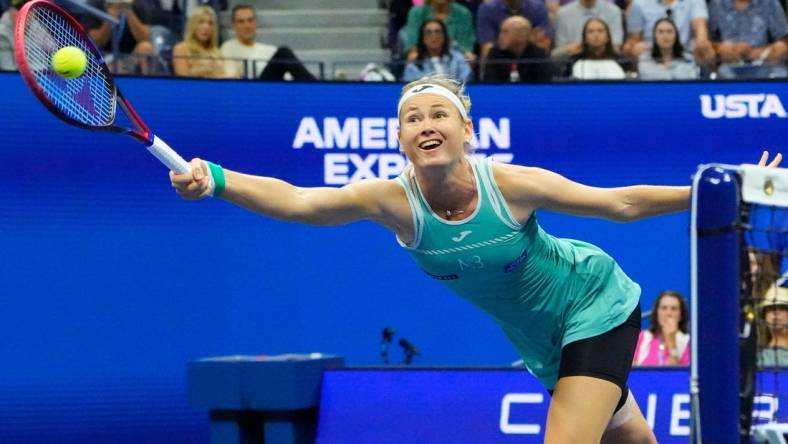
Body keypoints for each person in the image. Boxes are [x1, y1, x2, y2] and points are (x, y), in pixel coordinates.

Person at [170, 75, 782, 442]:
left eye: (438, 114)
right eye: (411, 119)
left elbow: (618, 203)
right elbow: (302, 202)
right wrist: (216, 179)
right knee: (627, 436)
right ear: (401, 138)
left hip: (594, 302)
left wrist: (718, 186)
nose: (424, 124)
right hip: (540, 340)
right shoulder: (393, 202)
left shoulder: (508, 185)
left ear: (466, 129)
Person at [220, 5, 315, 81]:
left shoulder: (270, 50)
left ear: (256, 23)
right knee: (283, 53)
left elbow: (287, 77)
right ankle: (317, 88)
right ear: (233, 26)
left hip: (273, 90)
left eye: (250, 20)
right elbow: (230, 78)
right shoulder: (228, 47)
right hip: (250, 91)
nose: (247, 25)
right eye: (241, 22)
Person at [622, 0, 714, 64]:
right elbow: (634, 39)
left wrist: (702, 41)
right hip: (651, 55)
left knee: (705, 48)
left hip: (684, 53)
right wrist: (633, 47)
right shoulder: (639, 3)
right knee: (638, 48)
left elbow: (699, 24)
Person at [708, 0, 787, 74]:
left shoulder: (770, 3)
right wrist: (720, 48)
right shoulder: (717, 4)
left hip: (764, 65)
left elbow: (784, 40)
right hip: (727, 67)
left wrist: (752, 53)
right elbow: (706, 43)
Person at [83, 0, 156, 74]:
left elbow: (144, 38)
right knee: (112, 68)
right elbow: (96, 42)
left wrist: (129, 11)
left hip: (129, 58)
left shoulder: (139, 5)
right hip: (103, 56)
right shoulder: (95, 4)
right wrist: (110, 17)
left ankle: (145, 83)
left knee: (146, 47)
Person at [400, 0, 476, 62]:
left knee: (469, 59)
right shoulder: (416, 12)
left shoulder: (463, 13)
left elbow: (466, 48)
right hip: (424, 61)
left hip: (455, 62)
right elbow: (412, 48)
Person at [481, 16, 552, 82]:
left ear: (521, 36)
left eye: (505, 32)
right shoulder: (494, 53)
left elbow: (544, 85)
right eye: (501, 32)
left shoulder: (539, 55)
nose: (500, 37)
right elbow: (490, 83)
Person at [476, 0, 553, 57]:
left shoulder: (538, 8)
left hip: (531, 60)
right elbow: (487, 49)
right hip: (500, 59)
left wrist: (508, 41)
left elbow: (543, 46)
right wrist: (527, 38)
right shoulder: (487, 9)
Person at [633, 291, 690, 366]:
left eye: (674, 309)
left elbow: (675, 375)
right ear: (657, 313)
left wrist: (671, 341)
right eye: (664, 308)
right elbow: (631, 371)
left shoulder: (688, 342)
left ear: (681, 315)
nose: (668, 313)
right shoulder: (641, 338)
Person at [403, 19, 472, 82]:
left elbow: (467, 80)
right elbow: (411, 87)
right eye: (429, 32)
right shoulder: (415, 64)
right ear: (423, 39)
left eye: (438, 32)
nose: (434, 36)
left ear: (444, 36)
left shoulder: (457, 58)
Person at [551, 0, 624, 59]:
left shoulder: (614, 11)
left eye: (600, 31)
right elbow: (559, 50)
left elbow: (616, 45)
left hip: (607, 59)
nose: (596, 34)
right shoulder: (563, 13)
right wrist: (571, 49)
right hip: (574, 59)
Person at [171, 6, 225, 78]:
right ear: (192, 25)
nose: (206, 27)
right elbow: (184, 80)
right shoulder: (181, 49)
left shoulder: (216, 51)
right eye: (201, 22)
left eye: (210, 23)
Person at [759, 285, 788, 368]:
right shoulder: (758, 357)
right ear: (764, 317)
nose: (776, 313)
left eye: (782, 308)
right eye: (770, 308)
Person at [0, 0, 25, 71]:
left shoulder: (37, 26)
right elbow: (8, 69)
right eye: (19, 8)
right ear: (10, 10)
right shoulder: (2, 34)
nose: (24, 13)